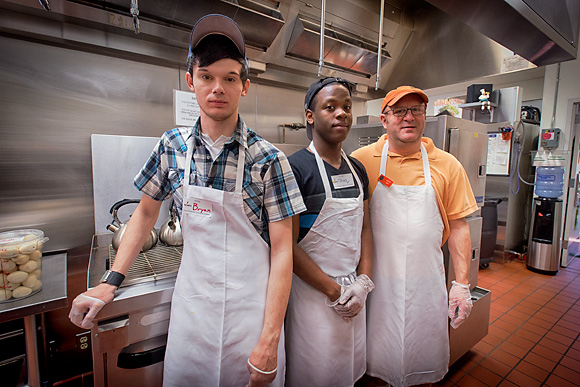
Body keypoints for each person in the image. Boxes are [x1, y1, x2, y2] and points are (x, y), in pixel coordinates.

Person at [69, 14, 306, 387]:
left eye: (230, 78)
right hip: (192, 312)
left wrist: (270, 338)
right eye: (207, 76)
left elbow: (282, 252)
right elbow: (146, 214)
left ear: (244, 87)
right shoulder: (171, 146)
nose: (217, 88)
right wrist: (109, 282)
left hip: (250, 316)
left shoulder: (269, 159)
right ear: (190, 81)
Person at [351, 86, 476, 387]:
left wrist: (461, 284)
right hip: (375, 284)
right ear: (384, 119)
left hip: (426, 286)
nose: (409, 117)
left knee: (423, 366)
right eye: (399, 111)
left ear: (424, 116)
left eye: (416, 110)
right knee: (373, 367)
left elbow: (459, 226)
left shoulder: (447, 164)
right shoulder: (361, 160)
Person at [285, 77, 374, 387]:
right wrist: (334, 292)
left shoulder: (357, 169)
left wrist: (362, 283)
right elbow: (287, 245)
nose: (341, 114)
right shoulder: (295, 168)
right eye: (330, 107)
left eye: (347, 107)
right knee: (314, 373)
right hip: (312, 296)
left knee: (348, 371)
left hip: (354, 292)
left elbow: (364, 228)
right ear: (310, 116)